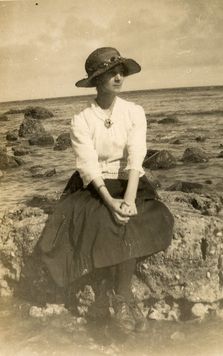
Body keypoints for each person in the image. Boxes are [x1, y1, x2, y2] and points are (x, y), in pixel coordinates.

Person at [38, 47, 174, 333]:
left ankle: (121, 297)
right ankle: (120, 298)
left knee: (143, 217)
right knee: (103, 220)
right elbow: (88, 166)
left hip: (129, 181)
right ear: (96, 81)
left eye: (120, 71)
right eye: (110, 72)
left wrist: (128, 199)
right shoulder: (81, 120)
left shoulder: (134, 112)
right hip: (95, 185)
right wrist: (111, 202)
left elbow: (136, 156)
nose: (118, 76)